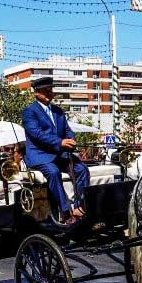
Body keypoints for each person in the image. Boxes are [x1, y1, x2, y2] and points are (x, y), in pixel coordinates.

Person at [22, 76, 89, 225]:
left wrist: (71, 139)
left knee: (82, 169)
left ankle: (80, 206)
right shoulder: (29, 111)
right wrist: (60, 142)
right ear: (36, 93)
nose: (49, 94)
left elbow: (67, 130)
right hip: (40, 155)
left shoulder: (58, 111)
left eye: (50, 91)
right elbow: (36, 133)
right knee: (53, 172)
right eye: (45, 91)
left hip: (59, 154)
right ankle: (65, 211)